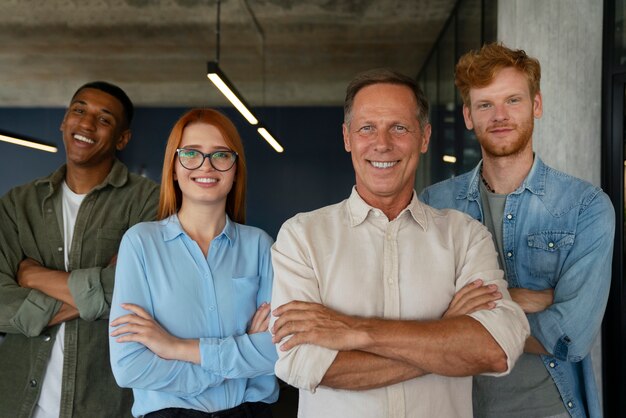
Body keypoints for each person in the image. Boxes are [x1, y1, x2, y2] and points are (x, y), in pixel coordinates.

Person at [270, 68, 530, 418]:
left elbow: (495, 349)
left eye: (399, 127)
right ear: (347, 137)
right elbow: (303, 365)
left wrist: (355, 331)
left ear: (424, 137)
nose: (382, 143)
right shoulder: (301, 237)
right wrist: (445, 332)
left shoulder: (466, 236)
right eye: (367, 128)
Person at [420, 43, 615, 418]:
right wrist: (530, 298)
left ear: (536, 105)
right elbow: (422, 314)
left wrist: (467, 314)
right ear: (468, 116)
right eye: (485, 105)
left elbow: (571, 334)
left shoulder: (585, 207)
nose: (500, 116)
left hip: (551, 410)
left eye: (512, 100)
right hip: (458, 407)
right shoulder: (434, 203)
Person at [0, 81, 159, 417]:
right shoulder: (18, 204)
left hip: (106, 404)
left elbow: (146, 292)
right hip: (18, 403)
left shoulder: (148, 201)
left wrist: (33, 277)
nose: (86, 124)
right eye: (79, 110)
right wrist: (101, 292)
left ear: (122, 139)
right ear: (64, 121)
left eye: (104, 119)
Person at [109, 108, 279, 418]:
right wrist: (234, 362)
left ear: (236, 168)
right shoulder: (141, 244)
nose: (206, 166)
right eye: (191, 153)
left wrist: (175, 348)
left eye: (221, 155)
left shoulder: (260, 246)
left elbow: (275, 352)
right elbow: (129, 367)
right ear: (173, 168)